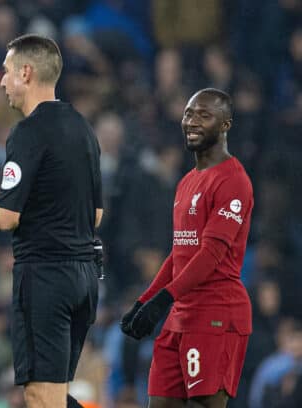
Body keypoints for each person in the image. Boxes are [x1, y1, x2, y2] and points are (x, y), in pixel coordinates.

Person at [0, 34, 104, 408]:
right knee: (54, 392)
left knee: (41, 395)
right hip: (84, 278)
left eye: (6, 72)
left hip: (45, 277)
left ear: (25, 72)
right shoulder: (84, 129)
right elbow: (96, 214)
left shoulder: (27, 132)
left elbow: (7, 217)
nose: (2, 81)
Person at [120, 88, 254, 408]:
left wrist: (163, 299)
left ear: (225, 125)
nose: (192, 121)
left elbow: (210, 254)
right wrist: (144, 301)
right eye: (189, 114)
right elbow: (180, 253)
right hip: (181, 316)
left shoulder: (234, 181)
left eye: (204, 115)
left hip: (216, 314)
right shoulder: (186, 181)